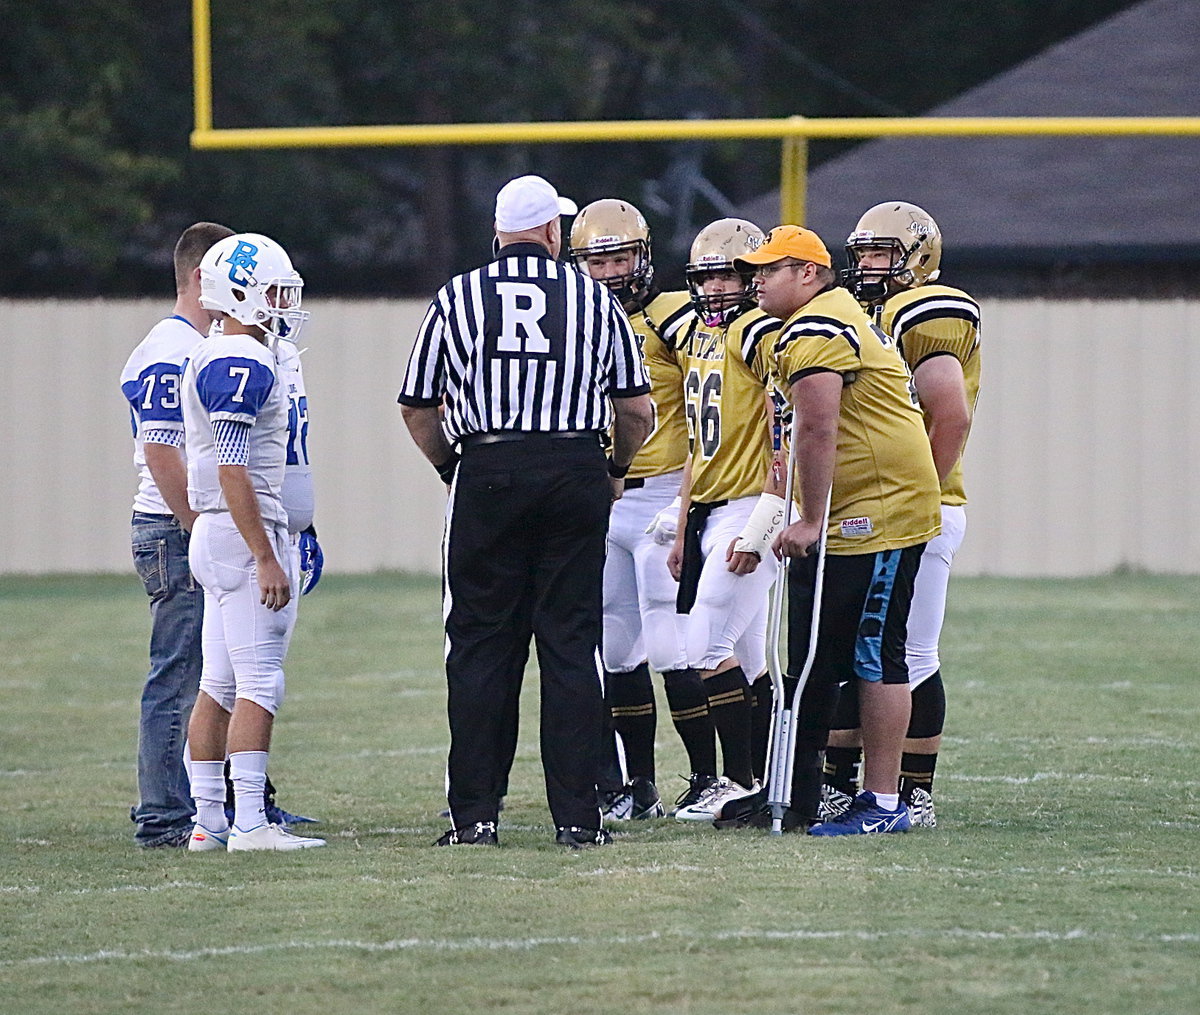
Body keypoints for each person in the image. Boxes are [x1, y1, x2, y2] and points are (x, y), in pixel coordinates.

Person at [399, 174, 653, 849]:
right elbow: (635, 409)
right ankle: (578, 816)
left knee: (482, 645)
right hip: (573, 469)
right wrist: (615, 470)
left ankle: (475, 815)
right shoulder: (593, 301)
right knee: (572, 644)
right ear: (552, 234)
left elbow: (417, 406)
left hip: (488, 466)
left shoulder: (456, 297)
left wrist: (455, 466)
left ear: (498, 233)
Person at [731, 225, 941, 835]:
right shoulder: (825, 318)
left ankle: (881, 803)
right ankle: (796, 791)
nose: (757, 280)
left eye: (770, 269)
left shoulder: (817, 327)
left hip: (880, 512)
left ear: (809, 273)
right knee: (819, 658)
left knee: (875, 653)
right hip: (863, 509)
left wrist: (812, 518)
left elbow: (818, 428)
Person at [819, 202, 981, 828]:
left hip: (918, 507)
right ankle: (843, 786)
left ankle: (912, 794)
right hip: (874, 506)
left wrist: (920, 495)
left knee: (907, 655)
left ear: (918, 257)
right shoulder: (866, 313)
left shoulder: (928, 310)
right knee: (856, 649)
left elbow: (952, 414)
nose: (867, 265)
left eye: (882, 253)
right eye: (861, 253)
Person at [182, 232, 326, 852]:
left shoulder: (229, 353)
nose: (281, 301)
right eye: (270, 290)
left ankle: (209, 822)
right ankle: (248, 823)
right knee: (259, 681)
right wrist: (266, 554)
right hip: (243, 534)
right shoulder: (239, 360)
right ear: (235, 293)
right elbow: (232, 469)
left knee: (218, 681)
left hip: (225, 534)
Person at [568, 198, 694, 823]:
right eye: (598, 260)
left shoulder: (675, 316)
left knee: (673, 643)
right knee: (617, 648)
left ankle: (707, 779)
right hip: (606, 497)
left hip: (663, 492)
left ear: (643, 255)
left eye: (620, 257)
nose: (611, 271)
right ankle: (636, 786)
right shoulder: (574, 322)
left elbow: (704, 402)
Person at [661, 217, 787, 822]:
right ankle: (768, 779)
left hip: (750, 506)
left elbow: (784, 435)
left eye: (725, 276)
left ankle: (739, 781)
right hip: (712, 506)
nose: (713, 289)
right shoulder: (699, 338)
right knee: (749, 656)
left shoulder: (761, 335)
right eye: (705, 277)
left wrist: (764, 523)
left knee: (704, 647)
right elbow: (696, 442)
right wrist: (684, 518)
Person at [120, 221, 233, 848]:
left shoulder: (191, 343)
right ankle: (164, 814)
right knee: (183, 671)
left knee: (219, 669)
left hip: (186, 523)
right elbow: (162, 450)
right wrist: (199, 529)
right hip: (174, 526)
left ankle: (228, 805)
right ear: (199, 277)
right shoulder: (173, 348)